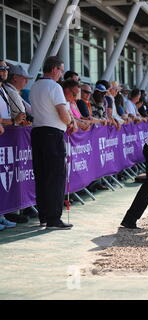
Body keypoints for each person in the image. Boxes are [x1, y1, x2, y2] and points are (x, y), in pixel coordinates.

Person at [30, 56, 75, 230]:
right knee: (56, 177)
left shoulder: (34, 86)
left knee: (41, 176)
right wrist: (70, 122)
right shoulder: (54, 86)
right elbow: (63, 113)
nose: (61, 74)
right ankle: (54, 218)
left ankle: (43, 216)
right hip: (52, 134)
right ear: (55, 69)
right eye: (61, 70)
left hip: (38, 132)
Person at [0, 61, 26, 128]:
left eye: (7, 69)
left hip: (5, 133)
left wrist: (20, 122)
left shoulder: (3, 90)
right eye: (2, 68)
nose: (5, 71)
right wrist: (14, 121)